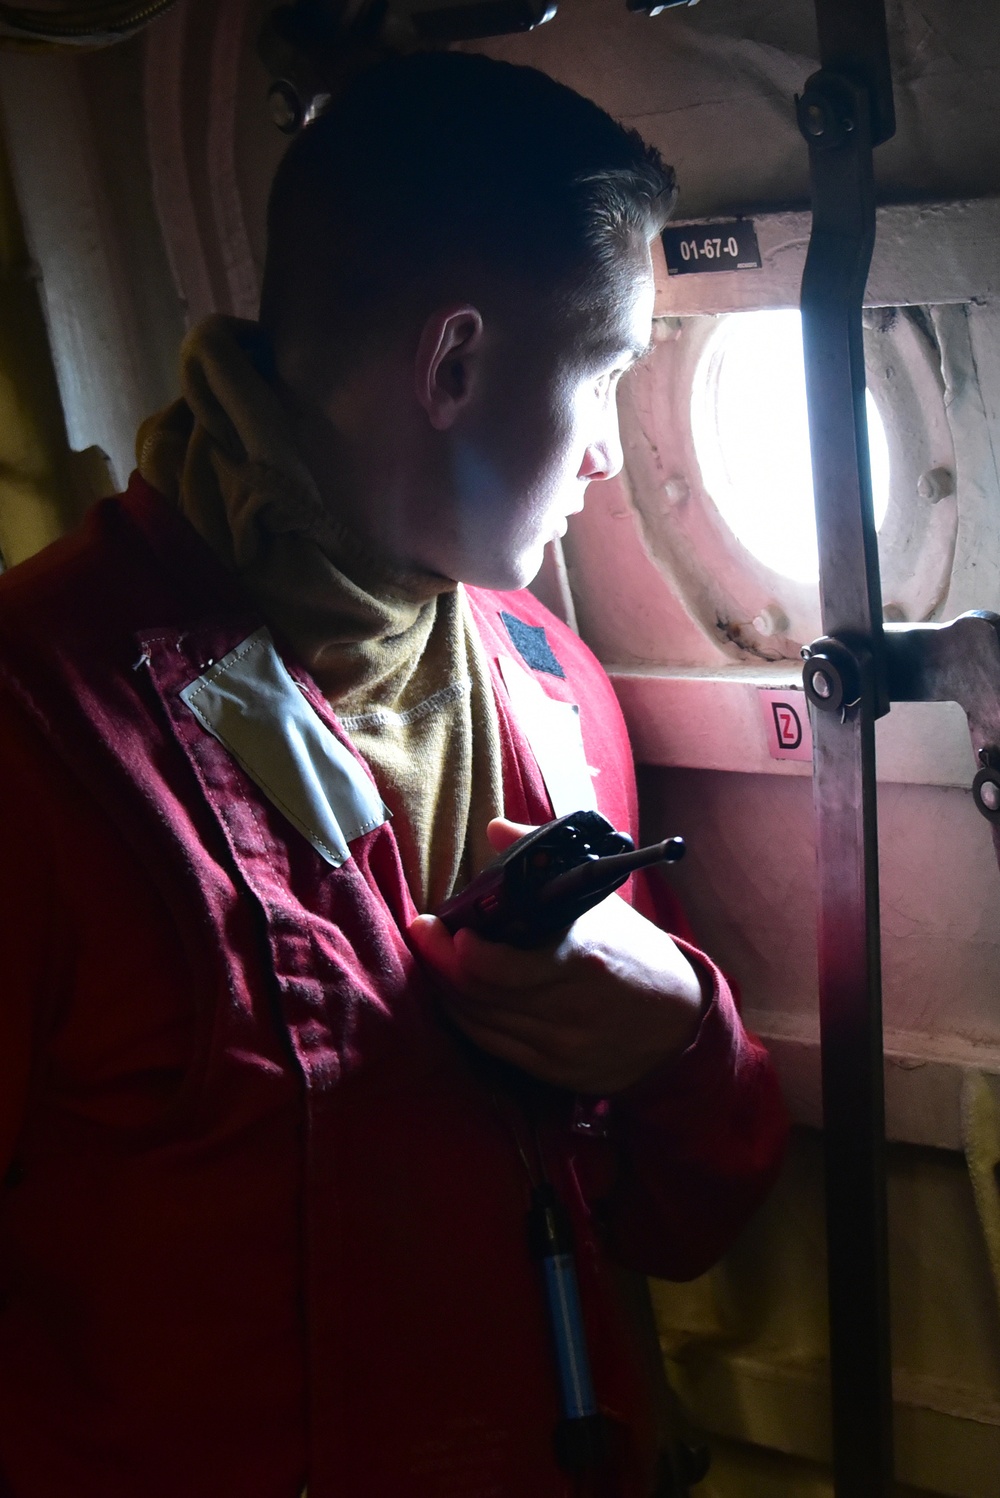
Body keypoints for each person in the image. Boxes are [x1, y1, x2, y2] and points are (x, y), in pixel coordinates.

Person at [0, 51, 786, 1498]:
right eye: (609, 369)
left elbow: (674, 1222)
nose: (613, 452)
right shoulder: (37, 724)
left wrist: (686, 1035)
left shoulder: (555, 692)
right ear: (455, 365)